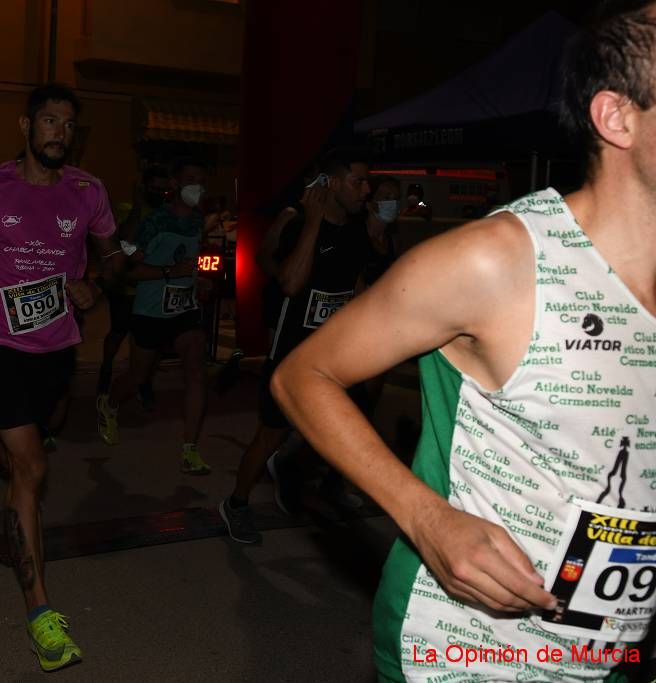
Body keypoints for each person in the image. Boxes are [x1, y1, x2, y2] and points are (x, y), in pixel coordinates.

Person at [273, 4, 656, 680]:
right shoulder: (497, 261)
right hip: (471, 648)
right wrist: (427, 520)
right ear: (617, 117)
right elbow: (303, 375)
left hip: (613, 654)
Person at [0, 83, 122, 672]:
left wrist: (98, 283)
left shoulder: (89, 191)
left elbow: (112, 256)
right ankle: (40, 615)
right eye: (49, 121)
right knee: (31, 466)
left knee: (31, 435)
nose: (58, 132)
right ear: (26, 127)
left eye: (67, 124)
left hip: (57, 346)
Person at [218, 149, 390, 543]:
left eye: (368, 182)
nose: (366, 190)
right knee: (271, 434)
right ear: (330, 184)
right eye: (357, 181)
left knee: (342, 428)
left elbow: (355, 285)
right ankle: (237, 504)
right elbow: (292, 284)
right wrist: (312, 220)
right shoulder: (301, 226)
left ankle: (309, 476)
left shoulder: (357, 228)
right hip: (294, 355)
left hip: (336, 355)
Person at [96, 158, 212, 474]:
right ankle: (110, 403)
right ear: (174, 184)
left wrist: (195, 279)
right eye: (190, 178)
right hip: (149, 311)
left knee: (196, 373)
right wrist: (168, 272)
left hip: (184, 309)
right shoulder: (154, 222)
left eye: (201, 180)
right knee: (138, 377)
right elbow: (129, 272)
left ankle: (190, 449)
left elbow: (189, 260)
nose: (197, 187)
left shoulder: (198, 221)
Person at [96, 164, 170, 406]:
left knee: (151, 341)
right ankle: (105, 374)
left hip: (154, 287)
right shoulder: (127, 208)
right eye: (154, 189)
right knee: (118, 333)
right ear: (144, 187)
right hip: (127, 287)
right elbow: (124, 238)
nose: (159, 194)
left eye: (163, 190)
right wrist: (138, 207)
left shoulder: (167, 213)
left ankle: (144, 382)